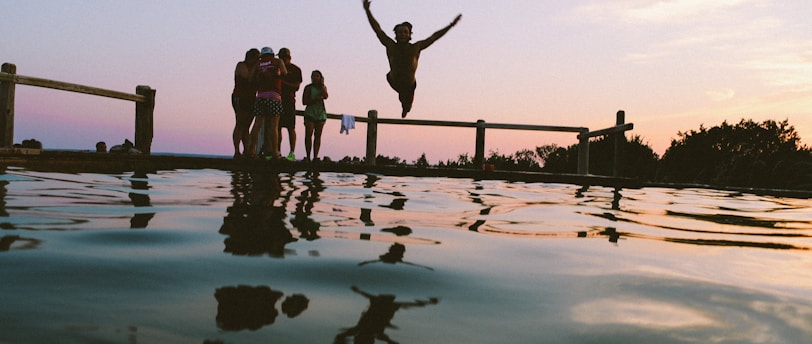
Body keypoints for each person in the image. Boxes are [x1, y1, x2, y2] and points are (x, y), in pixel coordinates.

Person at [362, 0, 461, 118]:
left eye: (405, 32)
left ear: (409, 35)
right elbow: (377, 30)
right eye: (400, 32)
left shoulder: (416, 47)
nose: (402, 34)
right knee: (393, 83)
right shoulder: (390, 45)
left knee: (406, 104)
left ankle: (406, 107)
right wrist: (368, 11)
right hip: (394, 81)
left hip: (409, 85)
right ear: (396, 35)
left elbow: (434, 37)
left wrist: (450, 25)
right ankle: (404, 103)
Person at [248, 46, 287, 160]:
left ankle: (251, 151)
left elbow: (251, 79)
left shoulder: (258, 64)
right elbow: (284, 73)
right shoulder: (277, 61)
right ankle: (275, 153)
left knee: (257, 124)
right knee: (274, 125)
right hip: (274, 95)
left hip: (260, 96)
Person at [231, 48, 260, 159]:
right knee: (240, 124)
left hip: (252, 98)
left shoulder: (256, 69)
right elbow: (247, 78)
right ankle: (237, 151)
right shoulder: (241, 65)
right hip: (240, 97)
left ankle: (247, 151)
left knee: (247, 126)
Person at [276, 48, 302, 161]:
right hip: (277, 100)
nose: (280, 59)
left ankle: (292, 153)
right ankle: (277, 152)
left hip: (289, 101)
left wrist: (283, 83)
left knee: (291, 127)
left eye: (282, 57)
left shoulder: (296, 70)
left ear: (288, 58)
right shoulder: (276, 68)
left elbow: (296, 86)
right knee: (277, 127)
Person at [302, 70, 328, 162]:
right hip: (310, 113)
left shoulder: (323, 87)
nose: (314, 78)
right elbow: (304, 101)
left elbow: (326, 96)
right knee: (308, 134)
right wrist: (314, 99)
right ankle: (308, 156)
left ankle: (315, 157)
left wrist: (322, 85)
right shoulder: (308, 88)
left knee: (318, 136)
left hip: (320, 113)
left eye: (317, 76)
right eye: (313, 76)